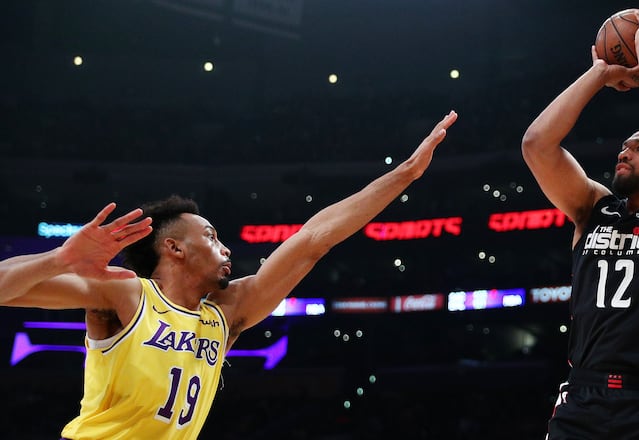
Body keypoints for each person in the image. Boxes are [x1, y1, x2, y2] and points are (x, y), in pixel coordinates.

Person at [0, 111, 457, 439]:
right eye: (213, 236)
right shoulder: (123, 294)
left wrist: (404, 175)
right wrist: (57, 259)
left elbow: (314, 238)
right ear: (174, 248)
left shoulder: (228, 311)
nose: (227, 248)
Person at [520, 10, 639, 439]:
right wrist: (600, 73)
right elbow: (537, 144)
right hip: (582, 398)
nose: (623, 153)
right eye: (623, 147)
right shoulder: (593, 207)